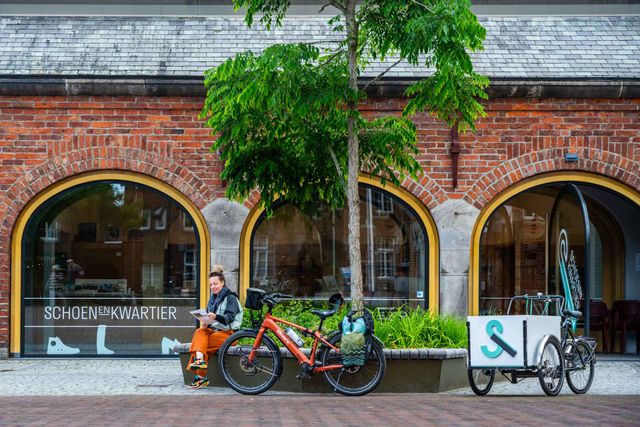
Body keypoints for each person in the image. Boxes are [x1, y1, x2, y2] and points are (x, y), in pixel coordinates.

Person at [186, 270, 243, 389]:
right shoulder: (212, 299)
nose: (213, 287)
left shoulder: (231, 298)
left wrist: (215, 316)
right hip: (216, 331)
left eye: (215, 284)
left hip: (230, 334)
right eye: (211, 284)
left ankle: (200, 377)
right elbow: (209, 318)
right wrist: (205, 321)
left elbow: (229, 318)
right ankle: (200, 361)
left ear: (223, 283)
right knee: (199, 332)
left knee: (201, 346)